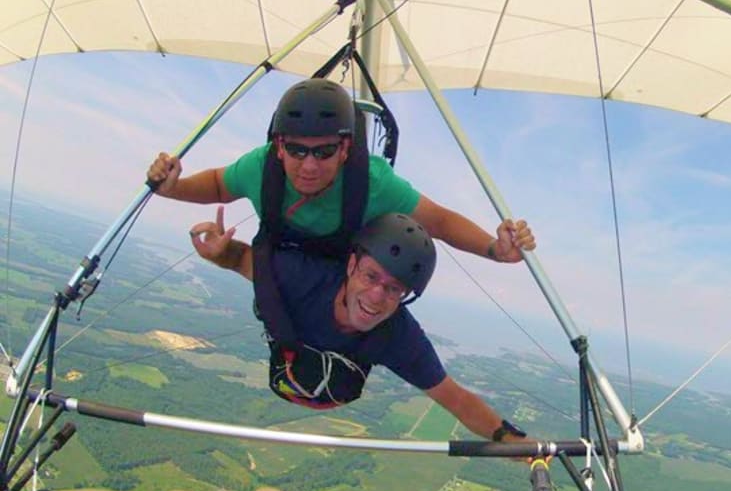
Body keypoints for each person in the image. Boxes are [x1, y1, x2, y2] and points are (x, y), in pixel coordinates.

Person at [189, 208, 529, 444]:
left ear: (405, 295)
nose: (377, 296)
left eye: (394, 288)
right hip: (294, 351)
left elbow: (457, 400)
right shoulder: (302, 276)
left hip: (328, 381)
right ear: (351, 265)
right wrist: (218, 250)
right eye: (371, 276)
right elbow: (239, 258)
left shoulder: (398, 336)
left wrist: (519, 444)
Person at [147, 77, 534, 266]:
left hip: (339, 291)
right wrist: (172, 187)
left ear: (346, 148)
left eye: (325, 151)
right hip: (281, 281)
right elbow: (218, 183)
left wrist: (493, 250)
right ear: (279, 146)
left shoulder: (371, 182)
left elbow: (440, 221)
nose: (310, 165)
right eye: (297, 150)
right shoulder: (262, 165)